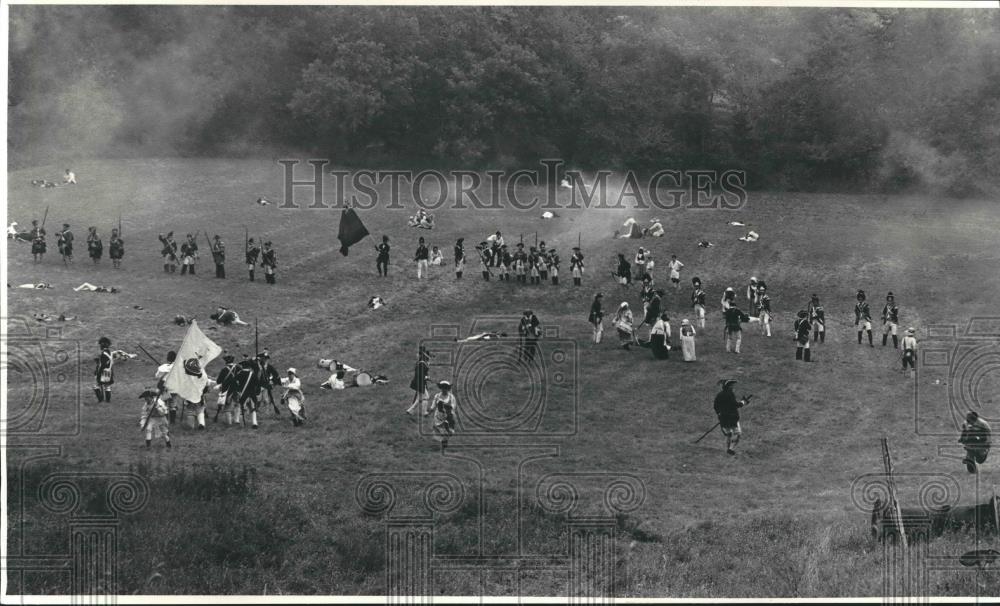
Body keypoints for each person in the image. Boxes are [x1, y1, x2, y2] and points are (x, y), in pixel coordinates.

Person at [713, 379, 751, 455]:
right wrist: (743, 402)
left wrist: (719, 413)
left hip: (723, 418)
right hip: (732, 418)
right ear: (729, 387)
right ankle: (731, 449)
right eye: (732, 385)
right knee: (737, 434)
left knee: (729, 434)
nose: (733, 387)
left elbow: (715, 406)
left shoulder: (719, 395)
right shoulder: (730, 394)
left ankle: (728, 449)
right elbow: (736, 405)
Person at [406, 346, 432, 417]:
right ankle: (424, 412)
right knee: (426, 396)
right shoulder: (422, 364)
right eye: (428, 357)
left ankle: (410, 410)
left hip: (420, 383)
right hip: (419, 383)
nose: (429, 359)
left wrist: (426, 377)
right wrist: (426, 377)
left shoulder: (422, 363)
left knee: (419, 398)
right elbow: (419, 374)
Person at [432, 380, 458, 451]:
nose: (444, 389)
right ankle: (444, 443)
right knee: (441, 430)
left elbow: (453, 406)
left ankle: (445, 441)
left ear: (448, 388)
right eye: (443, 388)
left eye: (446, 388)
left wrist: (444, 405)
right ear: (441, 388)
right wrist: (431, 409)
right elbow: (434, 403)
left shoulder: (451, 397)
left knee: (450, 431)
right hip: (439, 415)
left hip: (448, 414)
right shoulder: (437, 395)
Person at [94, 336, 115, 403]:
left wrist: (98, 373)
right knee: (107, 386)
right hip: (109, 371)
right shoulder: (110, 353)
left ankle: (100, 400)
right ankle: (108, 401)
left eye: (100, 344)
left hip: (103, 372)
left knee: (96, 386)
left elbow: (102, 365)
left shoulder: (104, 353)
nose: (100, 346)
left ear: (103, 344)